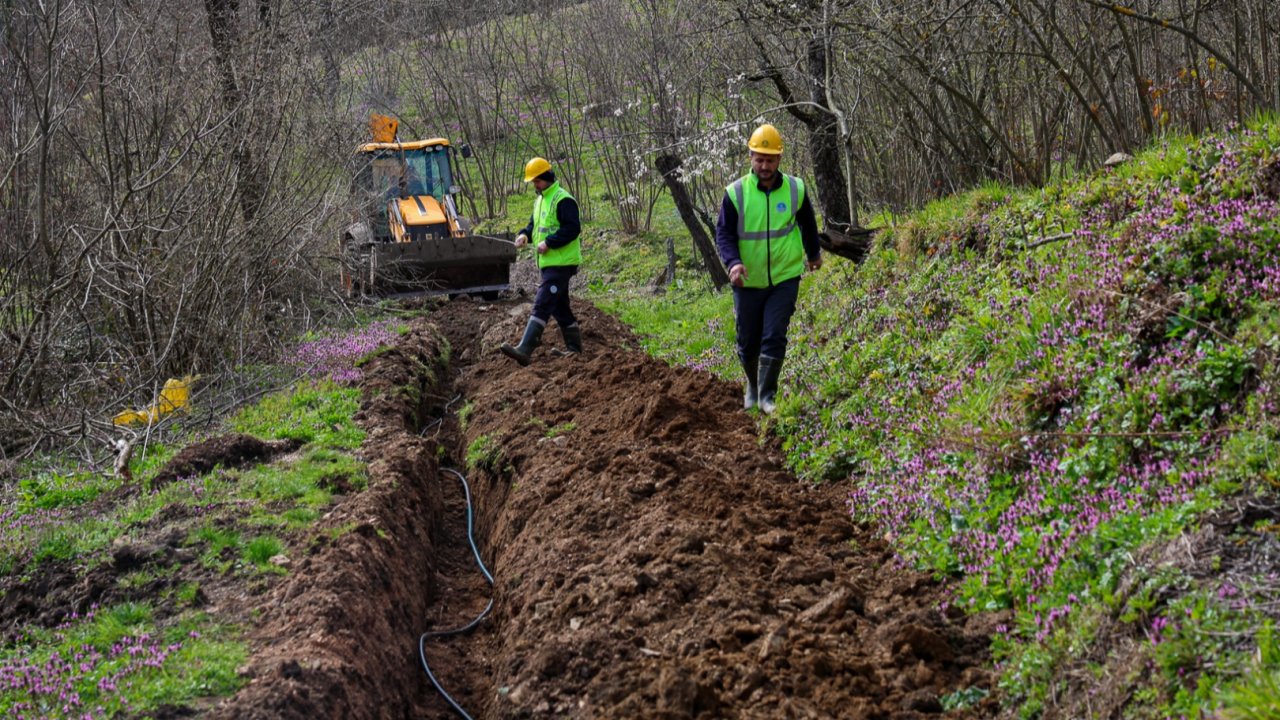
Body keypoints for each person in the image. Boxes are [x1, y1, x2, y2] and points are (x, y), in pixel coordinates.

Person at [715, 123, 822, 414]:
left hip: (784, 277)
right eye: (759, 159)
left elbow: (808, 224)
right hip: (747, 280)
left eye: (770, 159)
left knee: (774, 334)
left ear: (779, 159)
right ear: (750, 157)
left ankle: (767, 396)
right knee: (747, 340)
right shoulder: (735, 193)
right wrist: (733, 263)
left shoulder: (795, 189)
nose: (764, 165)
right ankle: (753, 384)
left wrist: (813, 255)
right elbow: (723, 233)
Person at [500, 156, 583, 365]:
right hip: (549, 263)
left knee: (543, 302)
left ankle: (525, 349)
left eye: (536, 181)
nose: (534, 186)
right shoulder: (540, 200)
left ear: (546, 177)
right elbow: (533, 225)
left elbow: (573, 229)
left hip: (561, 263)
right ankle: (574, 350)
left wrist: (549, 243)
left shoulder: (563, 199)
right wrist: (524, 235)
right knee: (559, 306)